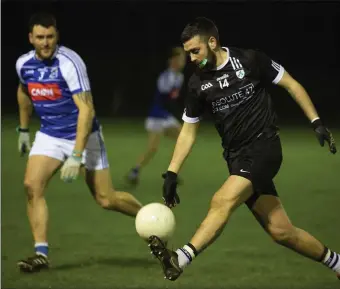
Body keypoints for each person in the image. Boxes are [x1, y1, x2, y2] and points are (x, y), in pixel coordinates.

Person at [147, 17, 339, 281]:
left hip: (265, 147)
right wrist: (171, 172)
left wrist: (316, 122)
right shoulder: (196, 84)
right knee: (282, 231)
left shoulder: (250, 60)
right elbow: (189, 131)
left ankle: (179, 258)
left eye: (196, 51)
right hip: (237, 158)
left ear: (212, 42)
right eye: (189, 53)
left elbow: (292, 84)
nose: (192, 58)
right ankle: (338, 264)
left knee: (222, 200)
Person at [16, 12, 142, 273]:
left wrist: (76, 155)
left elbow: (87, 110)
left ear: (57, 36)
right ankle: (41, 253)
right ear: (31, 38)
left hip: (84, 134)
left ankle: (150, 219)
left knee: (106, 199)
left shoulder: (70, 62)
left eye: (50, 37)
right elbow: (23, 90)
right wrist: (24, 130)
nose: (46, 42)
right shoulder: (24, 64)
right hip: (50, 134)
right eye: (40, 37)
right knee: (31, 186)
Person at [126, 47, 186, 185]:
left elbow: (172, 100)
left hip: (166, 116)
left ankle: (172, 173)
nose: (183, 62)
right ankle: (135, 171)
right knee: (153, 148)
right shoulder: (166, 77)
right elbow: (165, 97)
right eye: (181, 58)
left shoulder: (179, 77)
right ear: (173, 60)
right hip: (156, 116)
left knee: (184, 139)